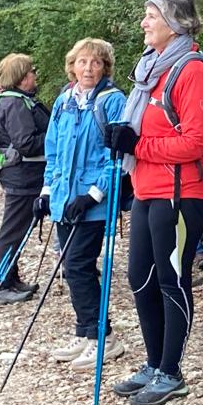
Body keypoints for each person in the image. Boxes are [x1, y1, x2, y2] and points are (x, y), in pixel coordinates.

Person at [103, 0, 203, 405]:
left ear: (174, 24)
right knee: (140, 277)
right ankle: (154, 364)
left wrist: (137, 144)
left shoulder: (191, 71)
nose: (144, 23)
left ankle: (171, 371)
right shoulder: (151, 69)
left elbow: (193, 143)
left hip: (183, 192)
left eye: (151, 15)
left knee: (172, 279)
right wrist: (123, 139)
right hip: (149, 188)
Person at [36, 38, 127, 371]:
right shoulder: (64, 101)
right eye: (83, 62)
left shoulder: (112, 102)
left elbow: (115, 156)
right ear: (72, 66)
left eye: (96, 63)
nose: (89, 68)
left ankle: (103, 336)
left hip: (92, 203)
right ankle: (85, 331)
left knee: (78, 265)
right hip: (63, 199)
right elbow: (55, 151)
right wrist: (46, 191)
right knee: (73, 268)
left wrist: (93, 194)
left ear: (105, 68)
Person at [0, 53, 50, 305]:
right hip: (22, 178)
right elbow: (26, 143)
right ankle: (2, 284)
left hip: (23, 176)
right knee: (13, 230)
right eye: (31, 72)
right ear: (22, 77)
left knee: (17, 229)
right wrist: (58, 138)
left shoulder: (13, 100)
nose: (35, 76)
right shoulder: (14, 104)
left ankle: (11, 280)